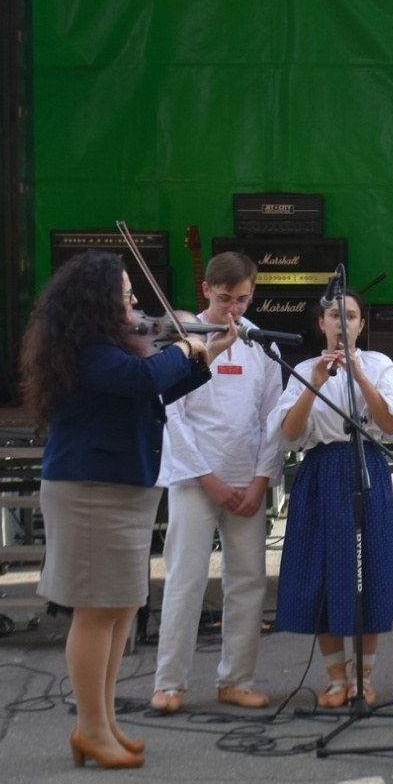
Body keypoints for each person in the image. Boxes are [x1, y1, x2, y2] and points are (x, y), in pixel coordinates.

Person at [23, 252, 231, 769]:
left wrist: (205, 355)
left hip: (121, 487)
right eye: (126, 294)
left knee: (118, 608)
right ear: (97, 301)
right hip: (91, 490)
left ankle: (103, 722)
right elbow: (145, 379)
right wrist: (183, 345)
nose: (136, 303)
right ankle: (91, 728)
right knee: (97, 611)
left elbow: (153, 392)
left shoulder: (112, 350)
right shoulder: (89, 351)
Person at [269, 287, 393, 708]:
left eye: (350, 316)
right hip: (321, 471)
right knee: (323, 569)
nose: (342, 322)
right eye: (334, 316)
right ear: (322, 323)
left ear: (360, 324)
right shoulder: (304, 368)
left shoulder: (379, 364)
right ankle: (336, 678)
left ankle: (363, 677)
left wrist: (362, 377)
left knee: (369, 568)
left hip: (366, 465)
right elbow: (288, 434)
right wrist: (314, 384)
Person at [151, 252, 284, 713]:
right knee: (185, 580)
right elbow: (172, 415)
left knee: (248, 581)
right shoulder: (185, 342)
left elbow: (273, 419)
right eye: (225, 298)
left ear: (253, 293)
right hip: (195, 478)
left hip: (247, 478)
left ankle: (236, 680)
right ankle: (170, 683)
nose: (233, 309)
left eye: (243, 299)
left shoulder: (262, 345)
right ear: (206, 290)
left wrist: (261, 480)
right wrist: (206, 478)